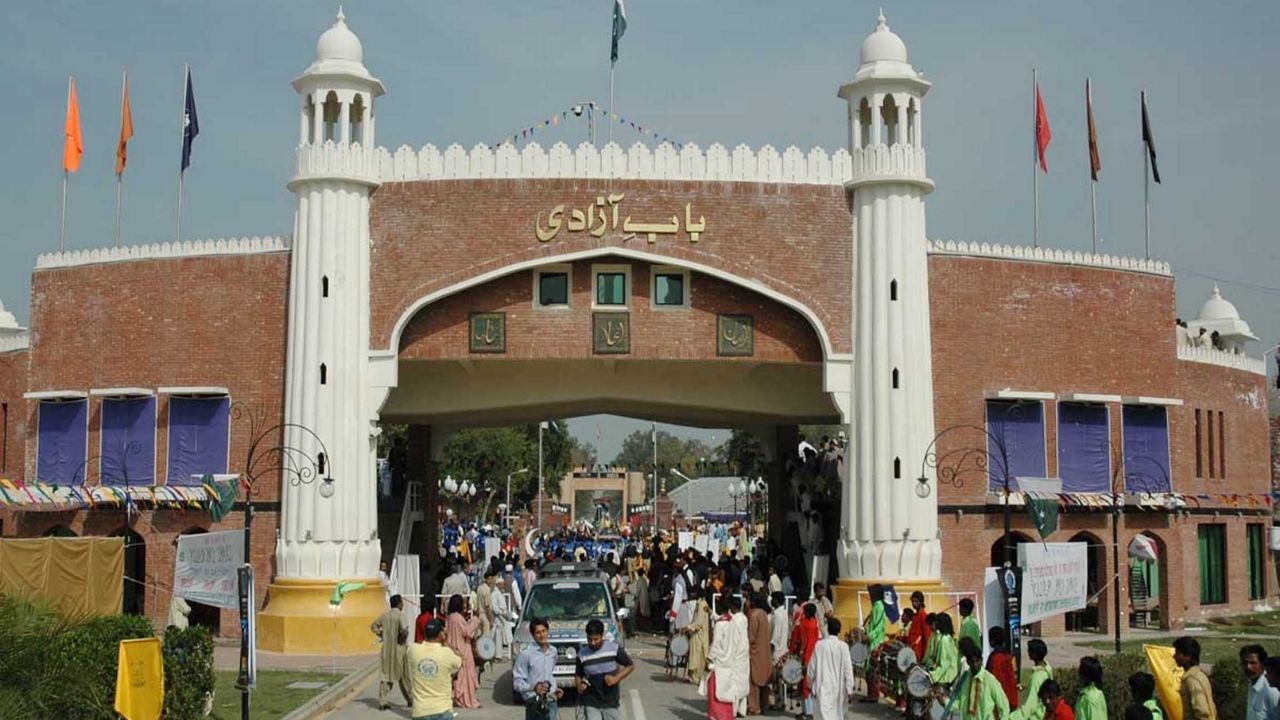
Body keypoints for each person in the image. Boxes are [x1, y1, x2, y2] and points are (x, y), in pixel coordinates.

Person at [575, 618, 635, 720]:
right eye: (590, 639)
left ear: (602, 636)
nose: (593, 643)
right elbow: (578, 675)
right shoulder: (582, 654)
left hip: (610, 701)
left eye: (596, 639)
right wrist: (579, 685)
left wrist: (615, 679)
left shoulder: (614, 649)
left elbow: (630, 666)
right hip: (591, 701)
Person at [406, 618, 463, 720]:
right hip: (442, 709)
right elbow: (461, 659)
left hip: (420, 711)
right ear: (440, 634)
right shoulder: (446, 653)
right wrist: (445, 642)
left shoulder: (413, 650)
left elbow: (416, 645)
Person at [707, 595, 750, 720]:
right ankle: (742, 710)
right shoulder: (743, 618)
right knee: (742, 684)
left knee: (733, 686)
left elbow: (732, 640)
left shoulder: (734, 621)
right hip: (743, 655)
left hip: (735, 656)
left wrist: (715, 656)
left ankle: (734, 712)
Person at [513, 617, 562, 720]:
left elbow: (550, 673)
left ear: (548, 631)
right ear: (533, 635)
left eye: (544, 631)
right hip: (533, 703)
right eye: (538, 632)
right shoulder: (526, 654)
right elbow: (517, 682)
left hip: (550, 700)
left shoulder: (553, 651)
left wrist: (554, 689)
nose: (541, 635)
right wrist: (533, 688)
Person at [807, 617, 856, 720]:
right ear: (839, 630)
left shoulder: (820, 645)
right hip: (839, 690)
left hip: (822, 688)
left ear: (828, 629)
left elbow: (811, 668)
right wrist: (849, 689)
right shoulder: (844, 647)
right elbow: (848, 670)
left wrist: (810, 684)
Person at [951, 636, 1010, 720]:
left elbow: (1004, 706)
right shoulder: (964, 679)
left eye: (977, 661)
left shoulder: (989, 680)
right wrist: (944, 702)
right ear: (968, 662)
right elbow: (958, 703)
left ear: (981, 660)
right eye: (972, 661)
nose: (975, 664)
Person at [371, 594, 411, 710]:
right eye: (402, 602)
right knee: (404, 675)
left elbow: (374, 626)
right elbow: (404, 630)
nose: (403, 604)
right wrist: (402, 637)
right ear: (399, 604)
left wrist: (382, 634)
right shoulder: (400, 616)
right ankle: (410, 698)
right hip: (399, 649)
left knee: (386, 675)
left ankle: (383, 701)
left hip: (387, 649)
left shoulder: (385, 616)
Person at [444, 594, 482, 709]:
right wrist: (475, 621)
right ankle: (467, 700)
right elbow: (467, 632)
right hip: (463, 649)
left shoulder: (450, 617)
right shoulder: (458, 618)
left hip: (453, 647)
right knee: (466, 676)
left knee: (459, 676)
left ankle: (461, 697)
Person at [1174, 637, 1217, 720]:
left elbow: (1202, 711)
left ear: (1188, 656)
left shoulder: (1191, 680)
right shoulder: (1199, 675)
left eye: (1178, 653)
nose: (1174, 657)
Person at [1011, 639, 1053, 720]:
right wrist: (1027, 687)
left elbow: (1030, 706)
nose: (1028, 652)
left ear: (1034, 655)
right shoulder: (1047, 669)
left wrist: (1011, 717)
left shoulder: (1036, 677)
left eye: (1029, 650)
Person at [792, 602, 821, 718]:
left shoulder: (805, 624)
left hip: (806, 657)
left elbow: (803, 642)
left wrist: (804, 659)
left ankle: (807, 712)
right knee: (808, 684)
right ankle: (808, 711)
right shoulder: (815, 623)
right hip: (813, 656)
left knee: (804, 685)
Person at [746, 593, 773, 715]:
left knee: (754, 681)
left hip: (755, 652)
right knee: (764, 680)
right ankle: (764, 704)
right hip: (765, 651)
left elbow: (751, 637)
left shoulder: (754, 615)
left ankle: (754, 707)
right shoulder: (764, 614)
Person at [863, 583, 889, 701]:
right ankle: (870, 694)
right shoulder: (875, 606)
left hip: (875, 641)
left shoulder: (878, 607)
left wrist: (870, 636)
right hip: (872, 640)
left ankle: (873, 695)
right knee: (869, 669)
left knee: (873, 669)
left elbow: (878, 627)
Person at [1242, 645, 1279, 720]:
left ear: (1263, 665)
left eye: (1253, 663)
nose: (1248, 667)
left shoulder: (1271, 690)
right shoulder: (1251, 684)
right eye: (1245, 663)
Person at [987, 626, 1019, 710]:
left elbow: (989, 678)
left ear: (992, 640)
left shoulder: (993, 658)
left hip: (998, 701)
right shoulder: (1010, 656)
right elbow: (1015, 676)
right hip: (1011, 699)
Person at [685, 587, 712, 685]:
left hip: (699, 634)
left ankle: (695, 676)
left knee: (697, 654)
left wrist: (688, 628)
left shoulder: (702, 605)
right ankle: (695, 676)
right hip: (697, 633)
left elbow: (699, 622)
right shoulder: (700, 603)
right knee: (697, 654)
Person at [929, 613, 960, 688]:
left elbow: (945, 663)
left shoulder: (944, 639)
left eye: (937, 622)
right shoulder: (946, 637)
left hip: (947, 677)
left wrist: (933, 676)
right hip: (949, 674)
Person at [492, 576, 516, 661]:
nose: (503, 586)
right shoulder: (495, 594)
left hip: (502, 616)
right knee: (498, 636)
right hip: (498, 617)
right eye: (502, 584)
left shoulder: (499, 592)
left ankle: (499, 654)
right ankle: (497, 655)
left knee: (502, 636)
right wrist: (501, 613)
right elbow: (495, 607)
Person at [904, 591, 931, 664]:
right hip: (912, 652)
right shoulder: (916, 616)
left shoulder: (923, 616)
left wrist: (925, 657)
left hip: (918, 654)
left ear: (921, 602)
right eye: (912, 601)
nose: (913, 604)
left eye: (916, 601)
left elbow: (927, 637)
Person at [770, 591, 790, 664]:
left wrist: (770, 650)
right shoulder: (784, 612)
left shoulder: (777, 614)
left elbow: (775, 636)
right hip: (783, 650)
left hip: (777, 652)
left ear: (776, 600)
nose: (771, 601)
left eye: (772, 599)